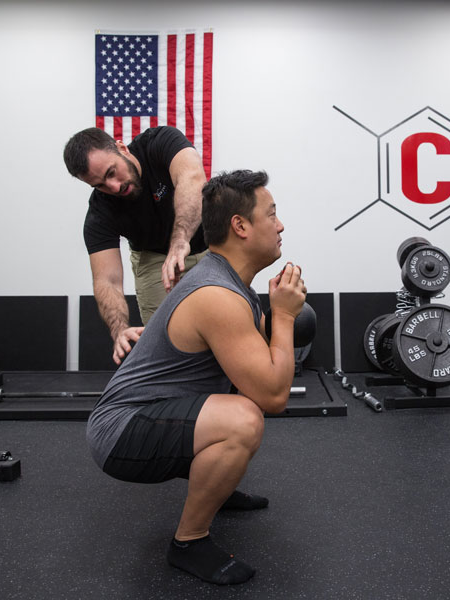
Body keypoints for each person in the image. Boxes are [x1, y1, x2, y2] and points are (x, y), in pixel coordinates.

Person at [85, 170, 306, 585]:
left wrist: (276, 320)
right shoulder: (216, 295)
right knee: (242, 420)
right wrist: (287, 317)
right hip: (120, 433)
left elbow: (258, 378)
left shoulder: (232, 285)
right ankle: (189, 542)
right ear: (240, 226)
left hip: (153, 415)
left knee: (244, 401)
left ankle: (215, 488)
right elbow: (275, 396)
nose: (280, 225)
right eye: (272, 214)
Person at [63, 126, 209, 365]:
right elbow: (106, 280)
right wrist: (119, 329)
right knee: (167, 345)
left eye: (112, 172)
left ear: (121, 148)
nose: (113, 187)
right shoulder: (100, 212)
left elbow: (192, 179)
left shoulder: (159, 142)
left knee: (226, 323)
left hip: (208, 245)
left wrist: (180, 241)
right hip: (152, 259)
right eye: (99, 185)